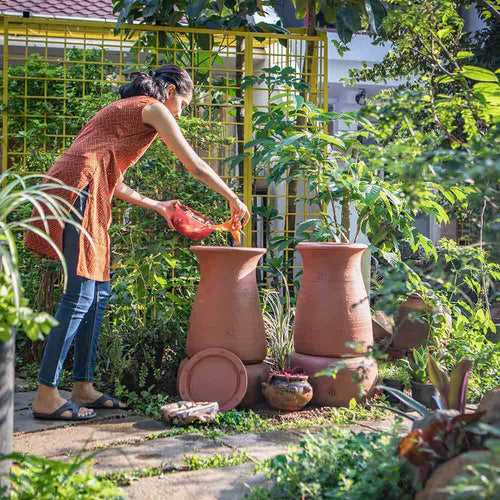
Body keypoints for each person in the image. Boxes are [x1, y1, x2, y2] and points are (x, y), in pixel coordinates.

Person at [26, 64, 250, 421]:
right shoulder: (153, 107)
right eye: (184, 105)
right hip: (79, 188)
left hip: (89, 187)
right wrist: (232, 198)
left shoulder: (128, 116)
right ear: (172, 92)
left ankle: (82, 386)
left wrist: (157, 205)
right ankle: (45, 394)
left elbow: (113, 180)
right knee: (81, 292)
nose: (180, 114)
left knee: (97, 294)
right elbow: (193, 165)